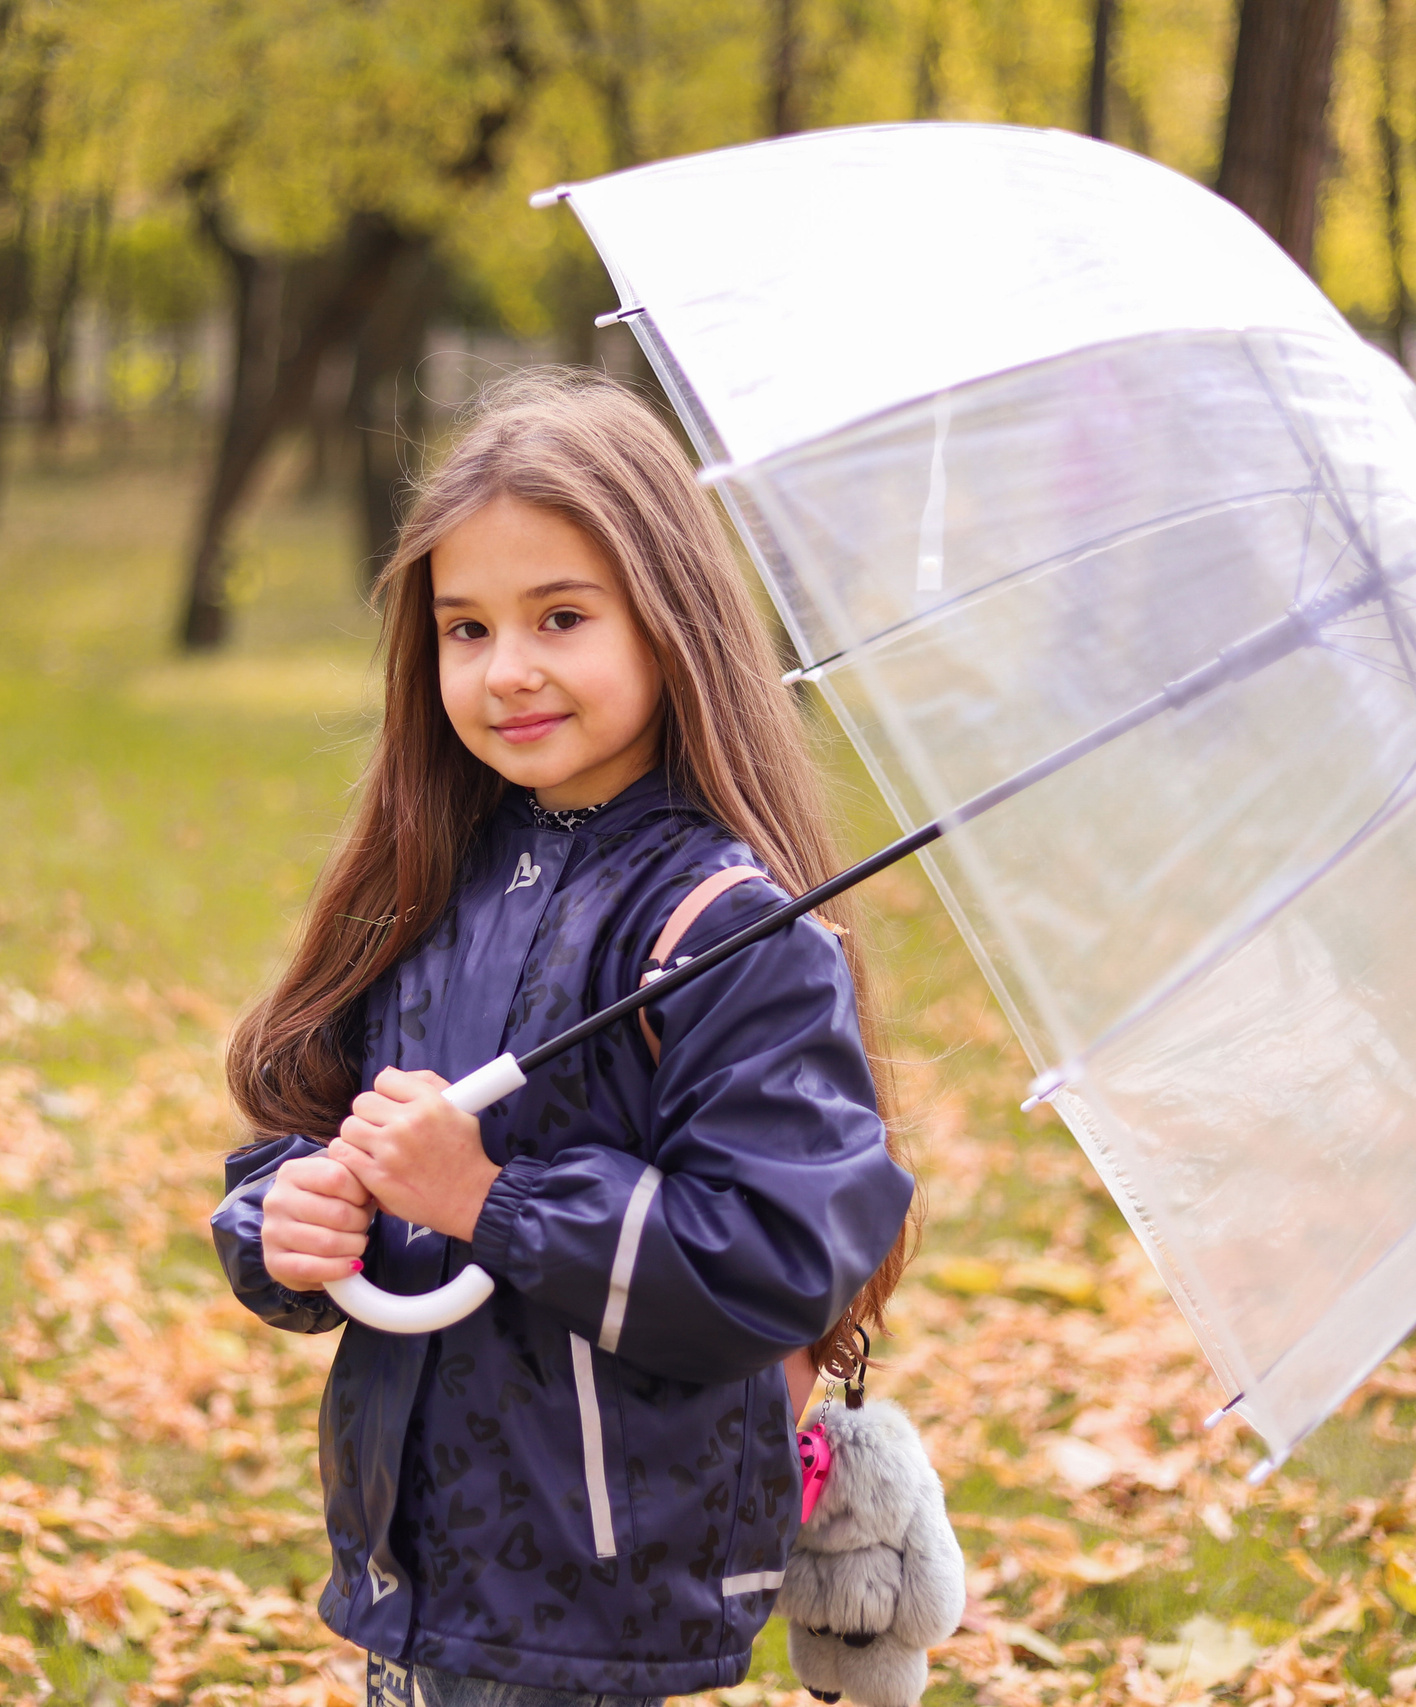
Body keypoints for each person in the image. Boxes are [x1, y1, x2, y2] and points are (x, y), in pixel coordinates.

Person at [212, 370, 916, 1707]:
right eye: (465, 627)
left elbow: (772, 1262)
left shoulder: (728, 932)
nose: (507, 668)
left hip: (599, 1591)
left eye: (563, 617)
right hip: (418, 1572)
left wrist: (488, 1199)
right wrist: (283, 1228)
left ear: (674, 626)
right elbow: (311, 1135)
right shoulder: (427, 886)